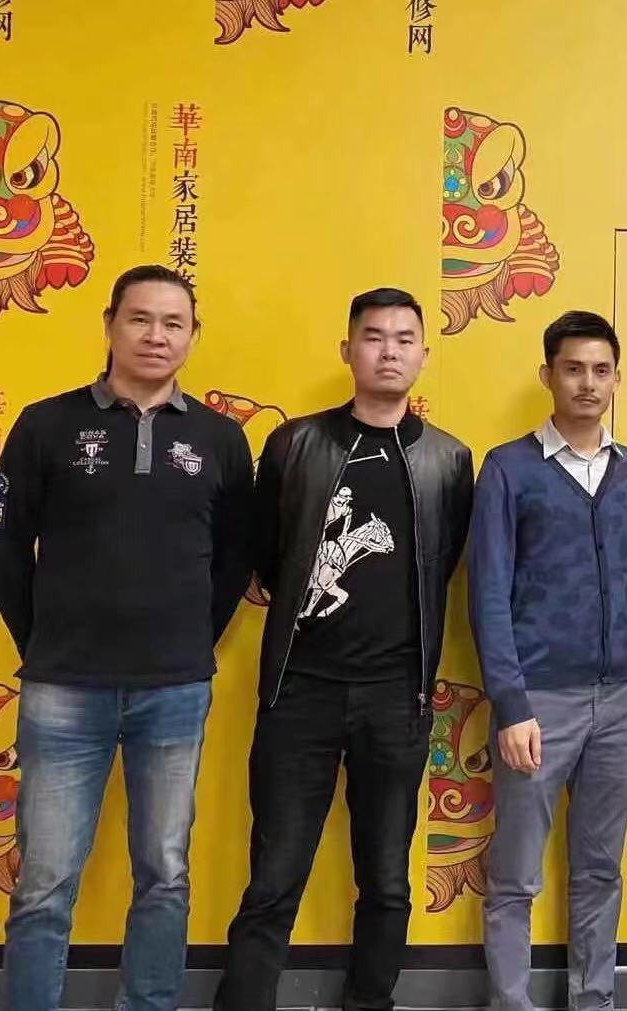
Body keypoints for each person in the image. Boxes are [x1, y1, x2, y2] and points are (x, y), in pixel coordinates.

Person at [0, 264, 254, 1011]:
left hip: (174, 689)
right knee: (44, 878)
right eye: (139, 319)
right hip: (63, 689)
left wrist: (191, 639)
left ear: (193, 335)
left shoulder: (221, 439)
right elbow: (4, 551)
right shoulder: (46, 425)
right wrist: (46, 642)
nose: (156, 335)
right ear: (109, 325)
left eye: (173, 323)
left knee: (164, 870)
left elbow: (236, 558)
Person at [216, 288, 473, 1011]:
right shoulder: (295, 444)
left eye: (403, 339)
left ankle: (370, 1001)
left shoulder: (449, 460)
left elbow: (443, 560)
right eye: (373, 337)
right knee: (274, 874)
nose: (389, 351)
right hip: (299, 690)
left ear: (423, 354)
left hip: (397, 697)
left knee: (387, 878)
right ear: (347, 350)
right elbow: (266, 552)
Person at [468, 309, 627, 1011]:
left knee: (600, 869)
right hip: (539, 703)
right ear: (547, 375)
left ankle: (595, 999)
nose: (588, 383)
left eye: (601, 370)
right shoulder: (509, 468)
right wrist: (511, 705)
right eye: (573, 369)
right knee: (516, 874)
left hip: (620, 700)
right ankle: (510, 1002)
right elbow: (488, 594)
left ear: (616, 379)